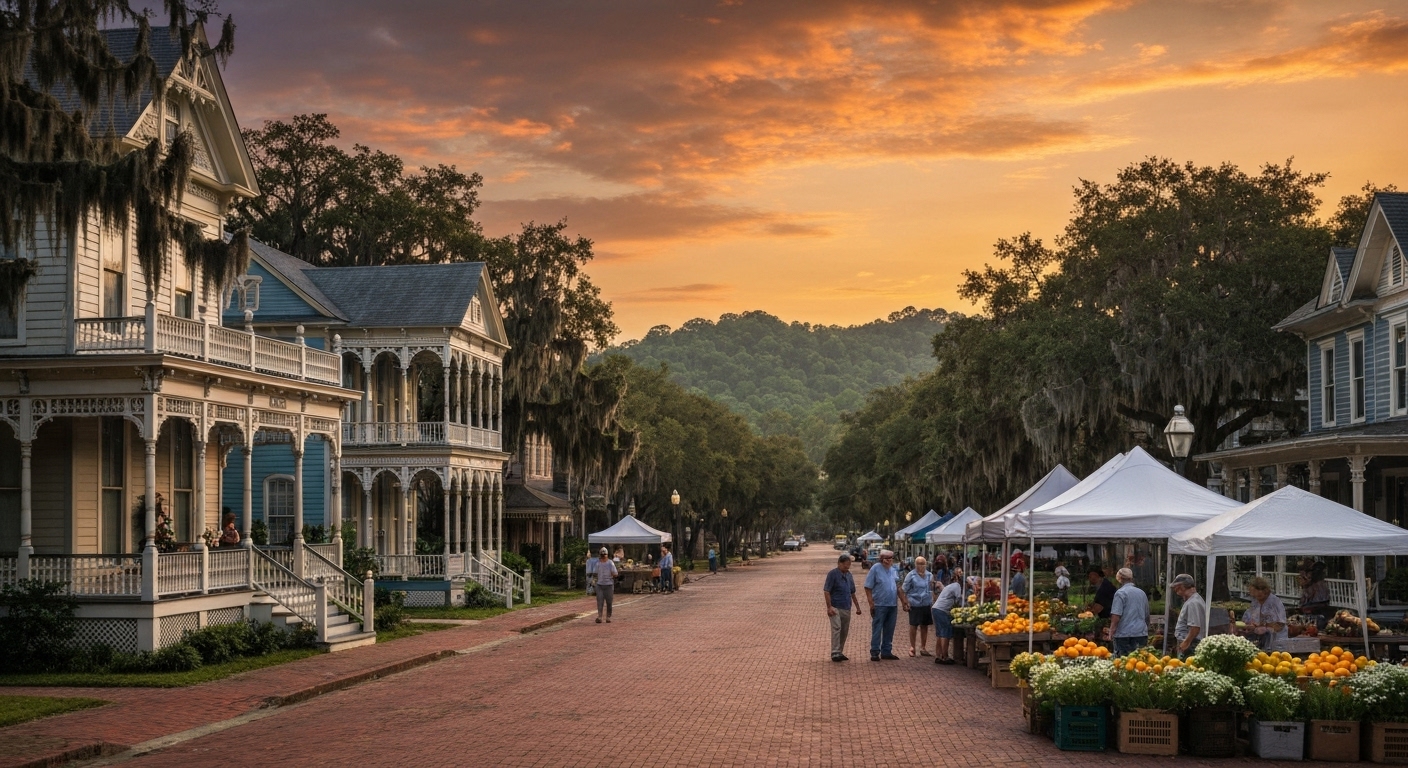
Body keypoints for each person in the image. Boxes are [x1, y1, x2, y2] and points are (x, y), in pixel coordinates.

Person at [864, 549, 907, 661]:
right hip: (879, 604)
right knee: (877, 628)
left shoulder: (893, 570)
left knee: (889, 629)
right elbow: (868, 587)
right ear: (881, 559)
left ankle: (886, 651)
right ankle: (875, 652)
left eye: (890, 559)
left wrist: (903, 601)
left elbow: (898, 587)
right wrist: (871, 603)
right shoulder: (875, 569)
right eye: (886, 559)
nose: (888, 561)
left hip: (892, 605)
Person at [823, 553, 863, 662]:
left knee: (844, 630)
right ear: (839, 563)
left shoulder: (849, 575)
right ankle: (835, 652)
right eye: (845, 564)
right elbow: (826, 591)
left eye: (848, 565)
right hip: (835, 606)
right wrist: (829, 607)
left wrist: (858, 607)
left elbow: (852, 592)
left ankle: (840, 651)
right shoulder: (833, 574)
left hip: (846, 606)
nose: (847, 567)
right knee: (837, 628)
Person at [1108, 567, 1150, 656]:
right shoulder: (1142, 593)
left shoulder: (1120, 593)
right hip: (1140, 633)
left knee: (1124, 661)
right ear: (1131, 578)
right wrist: (1146, 629)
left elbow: (1116, 615)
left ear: (1119, 578)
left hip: (1124, 634)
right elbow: (1147, 615)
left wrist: (1111, 630)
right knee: (1140, 660)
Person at [903, 556, 935, 657]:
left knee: (924, 625)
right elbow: (904, 590)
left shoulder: (929, 575)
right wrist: (905, 602)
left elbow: (932, 589)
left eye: (923, 564)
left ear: (926, 564)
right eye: (919, 564)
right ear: (915, 565)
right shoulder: (911, 575)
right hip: (914, 603)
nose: (921, 566)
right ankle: (912, 647)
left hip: (926, 603)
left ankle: (923, 647)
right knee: (914, 625)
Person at [1245, 576, 1288, 648]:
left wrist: (1264, 626)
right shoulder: (1255, 602)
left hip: (1277, 641)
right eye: (1253, 593)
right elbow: (1252, 619)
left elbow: (1280, 625)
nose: (1255, 595)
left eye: (1257, 592)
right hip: (1261, 641)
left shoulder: (1275, 602)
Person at [932, 568, 964, 664]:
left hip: (936, 609)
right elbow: (959, 599)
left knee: (940, 633)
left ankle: (938, 655)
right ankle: (945, 656)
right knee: (945, 632)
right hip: (942, 610)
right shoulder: (957, 586)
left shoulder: (950, 585)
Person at [1172, 573, 1206, 657]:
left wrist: (1186, 643)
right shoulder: (1194, 600)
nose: (1175, 590)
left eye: (1176, 587)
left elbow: (1195, 627)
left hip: (1191, 644)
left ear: (1182, 587)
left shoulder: (1192, 603)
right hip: (1191, 642)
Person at [590, 547, 619, 623]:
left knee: (609, 602)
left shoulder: (610, 563)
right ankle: (599, 616)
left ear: (607, 555)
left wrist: (612, 574)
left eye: (604, 555)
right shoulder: (598, 563)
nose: (603, 557)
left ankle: (608, 616)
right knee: (600, 601)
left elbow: (615, 573)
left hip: (609, 585)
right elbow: (595, 573)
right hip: (600, 585)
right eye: (602, 555)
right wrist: (594, 580)